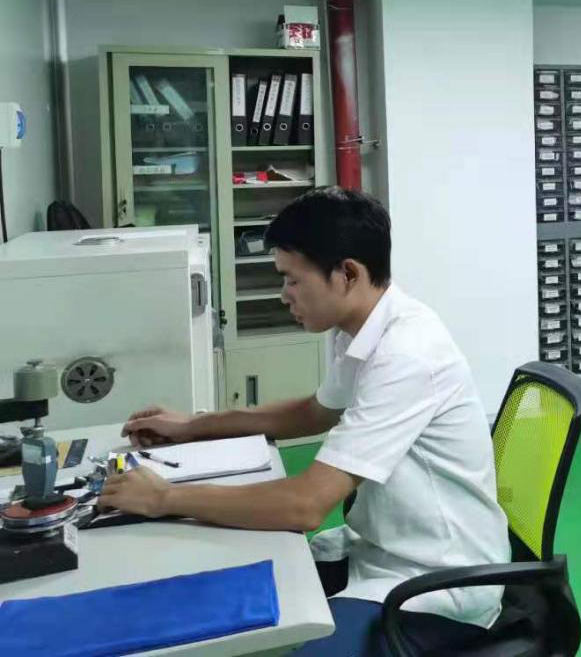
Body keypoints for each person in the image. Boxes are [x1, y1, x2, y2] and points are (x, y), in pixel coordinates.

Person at [103, 187, 509, 655]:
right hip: (381, 550)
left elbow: (306, 505)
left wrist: (164, 498)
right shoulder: (360, 330)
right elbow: (313, 412)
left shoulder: (408, 354)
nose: (284, 295)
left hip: (438, 583)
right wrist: (193, 426)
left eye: (293, 280)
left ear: (348, 274)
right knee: (226, 592)